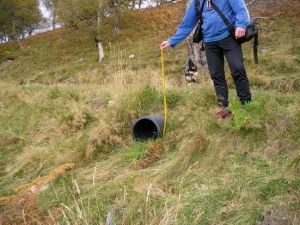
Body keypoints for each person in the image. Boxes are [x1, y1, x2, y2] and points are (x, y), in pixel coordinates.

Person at [161, 0, 252, 120]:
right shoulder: (197, 2)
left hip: (229, 37)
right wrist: (171, 41)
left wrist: (241, 25)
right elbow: (187, 24)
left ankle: (247, 105)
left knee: (237, 69)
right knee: (216, 75)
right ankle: (223, 107)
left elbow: (241, 10)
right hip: (210, 42)